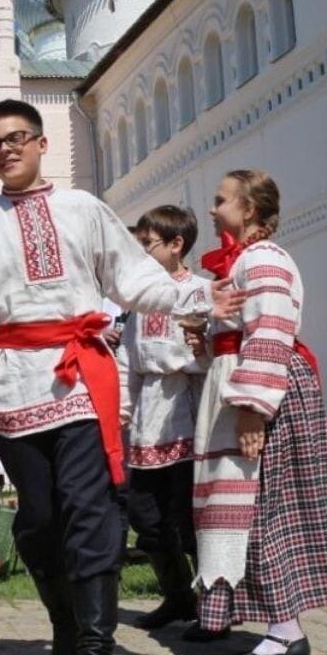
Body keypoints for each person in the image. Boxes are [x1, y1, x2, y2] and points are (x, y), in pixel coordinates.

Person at [0, 99, 242, 655]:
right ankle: (63, 626)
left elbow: (135, 281)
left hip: (81, 385)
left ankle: (96, 654)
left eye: (17, 137)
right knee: (41, 523)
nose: (6, 149)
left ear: (42, 142)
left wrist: (198, 296)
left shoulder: (83, 209)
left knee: (92, 513)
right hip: (14, 386)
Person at [191, 170, 327, 655]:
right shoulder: (242, 262)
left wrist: (253, 408)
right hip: (239, 383)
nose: (212, 210)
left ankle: (286, 631)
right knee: (240, 506)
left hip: (262, 388)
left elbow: (271, 329)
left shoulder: (263, 258)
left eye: (220, 200)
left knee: (264, 506)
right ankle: (264, 621)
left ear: (249, 209)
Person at [117, 205, 210, 630]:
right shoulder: (139, 299)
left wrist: (183, 357)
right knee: (145, 517)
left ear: (176, 245)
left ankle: (213, 602)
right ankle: (176, 596)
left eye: (147, 244)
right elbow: (127, 357)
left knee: (189, 519)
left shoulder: (201, 291)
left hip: (189, 414)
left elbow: (209, 354)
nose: (140, 253)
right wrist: (122, 406)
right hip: (147, 419)